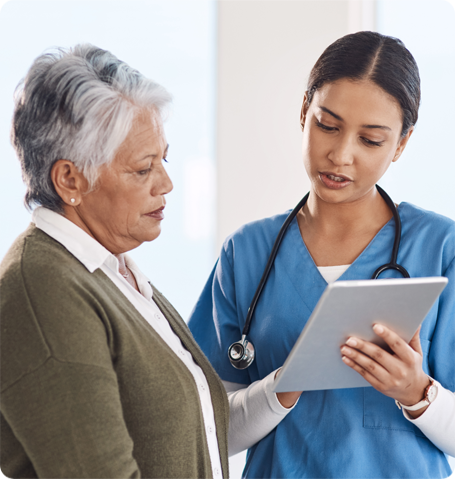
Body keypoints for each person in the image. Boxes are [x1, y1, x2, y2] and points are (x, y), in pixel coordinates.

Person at [188, 31, 455, 478]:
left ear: (401, 144)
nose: (340, 154)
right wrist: (279, 391)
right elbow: (206, 429)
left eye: (370, 140)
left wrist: (416, 391)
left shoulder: (440, 248)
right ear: (303, 111)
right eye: (327, 125)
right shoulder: (248, 253)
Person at [0, 45, 228, 479]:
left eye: (163, 158)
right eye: (142, 170)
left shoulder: (113, 272)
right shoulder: (44, 289)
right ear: (70, 179)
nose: (166, 183)